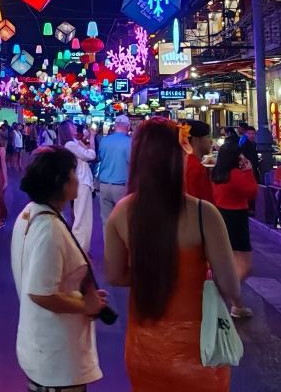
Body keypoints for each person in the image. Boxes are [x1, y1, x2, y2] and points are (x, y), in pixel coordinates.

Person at [104, 117, 242, 392]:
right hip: (199, 350)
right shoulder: (204, 214)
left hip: (144, 349)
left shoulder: (121, 212)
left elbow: (116, 276)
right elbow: (231, 287)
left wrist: (154, 267)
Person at [11, 147, 106, 391]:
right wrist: (86, 305)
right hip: (56, 357)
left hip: (43, 347)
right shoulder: (49, 229)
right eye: (73, 172)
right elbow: (41, 292)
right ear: (60, 182)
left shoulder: (31, 214)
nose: (77, 178)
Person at [210, 139, 257, 318]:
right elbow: (252, 192)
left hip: (221, 216)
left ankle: (237, 304)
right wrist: (249, 172)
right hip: (236, 218)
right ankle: (223, 295)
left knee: (228, 262)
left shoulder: (216, 173)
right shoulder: (235, 174)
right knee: (245, 265)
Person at [60, 121, 96, 252]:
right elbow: (90, 155)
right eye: (72, 126)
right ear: (67, 130)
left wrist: (87, 137)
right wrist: (92, 137)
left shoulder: (73, 142)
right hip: (81, 182)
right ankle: (78, 250)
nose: (76, 127)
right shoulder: (70, 144)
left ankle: (81, 248)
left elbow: (84, 146)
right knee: (82, 217)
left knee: (83, 217)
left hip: (82, 181)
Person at [95, 115, 132, 226]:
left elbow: (99, 159)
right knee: (123, 221)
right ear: (128, 126)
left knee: (106, 221)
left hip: (104, 186)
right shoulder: (130, 142)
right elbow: (132, 163)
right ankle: (121, 243)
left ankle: (109, 243)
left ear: (115, 126)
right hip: (121, 187)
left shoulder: (104, 141)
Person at [182, 120, 215, 204]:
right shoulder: (195, 168)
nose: (210, 141)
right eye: (207, 137)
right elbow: (198, 203)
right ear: (195, 140)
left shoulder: (185, 162)